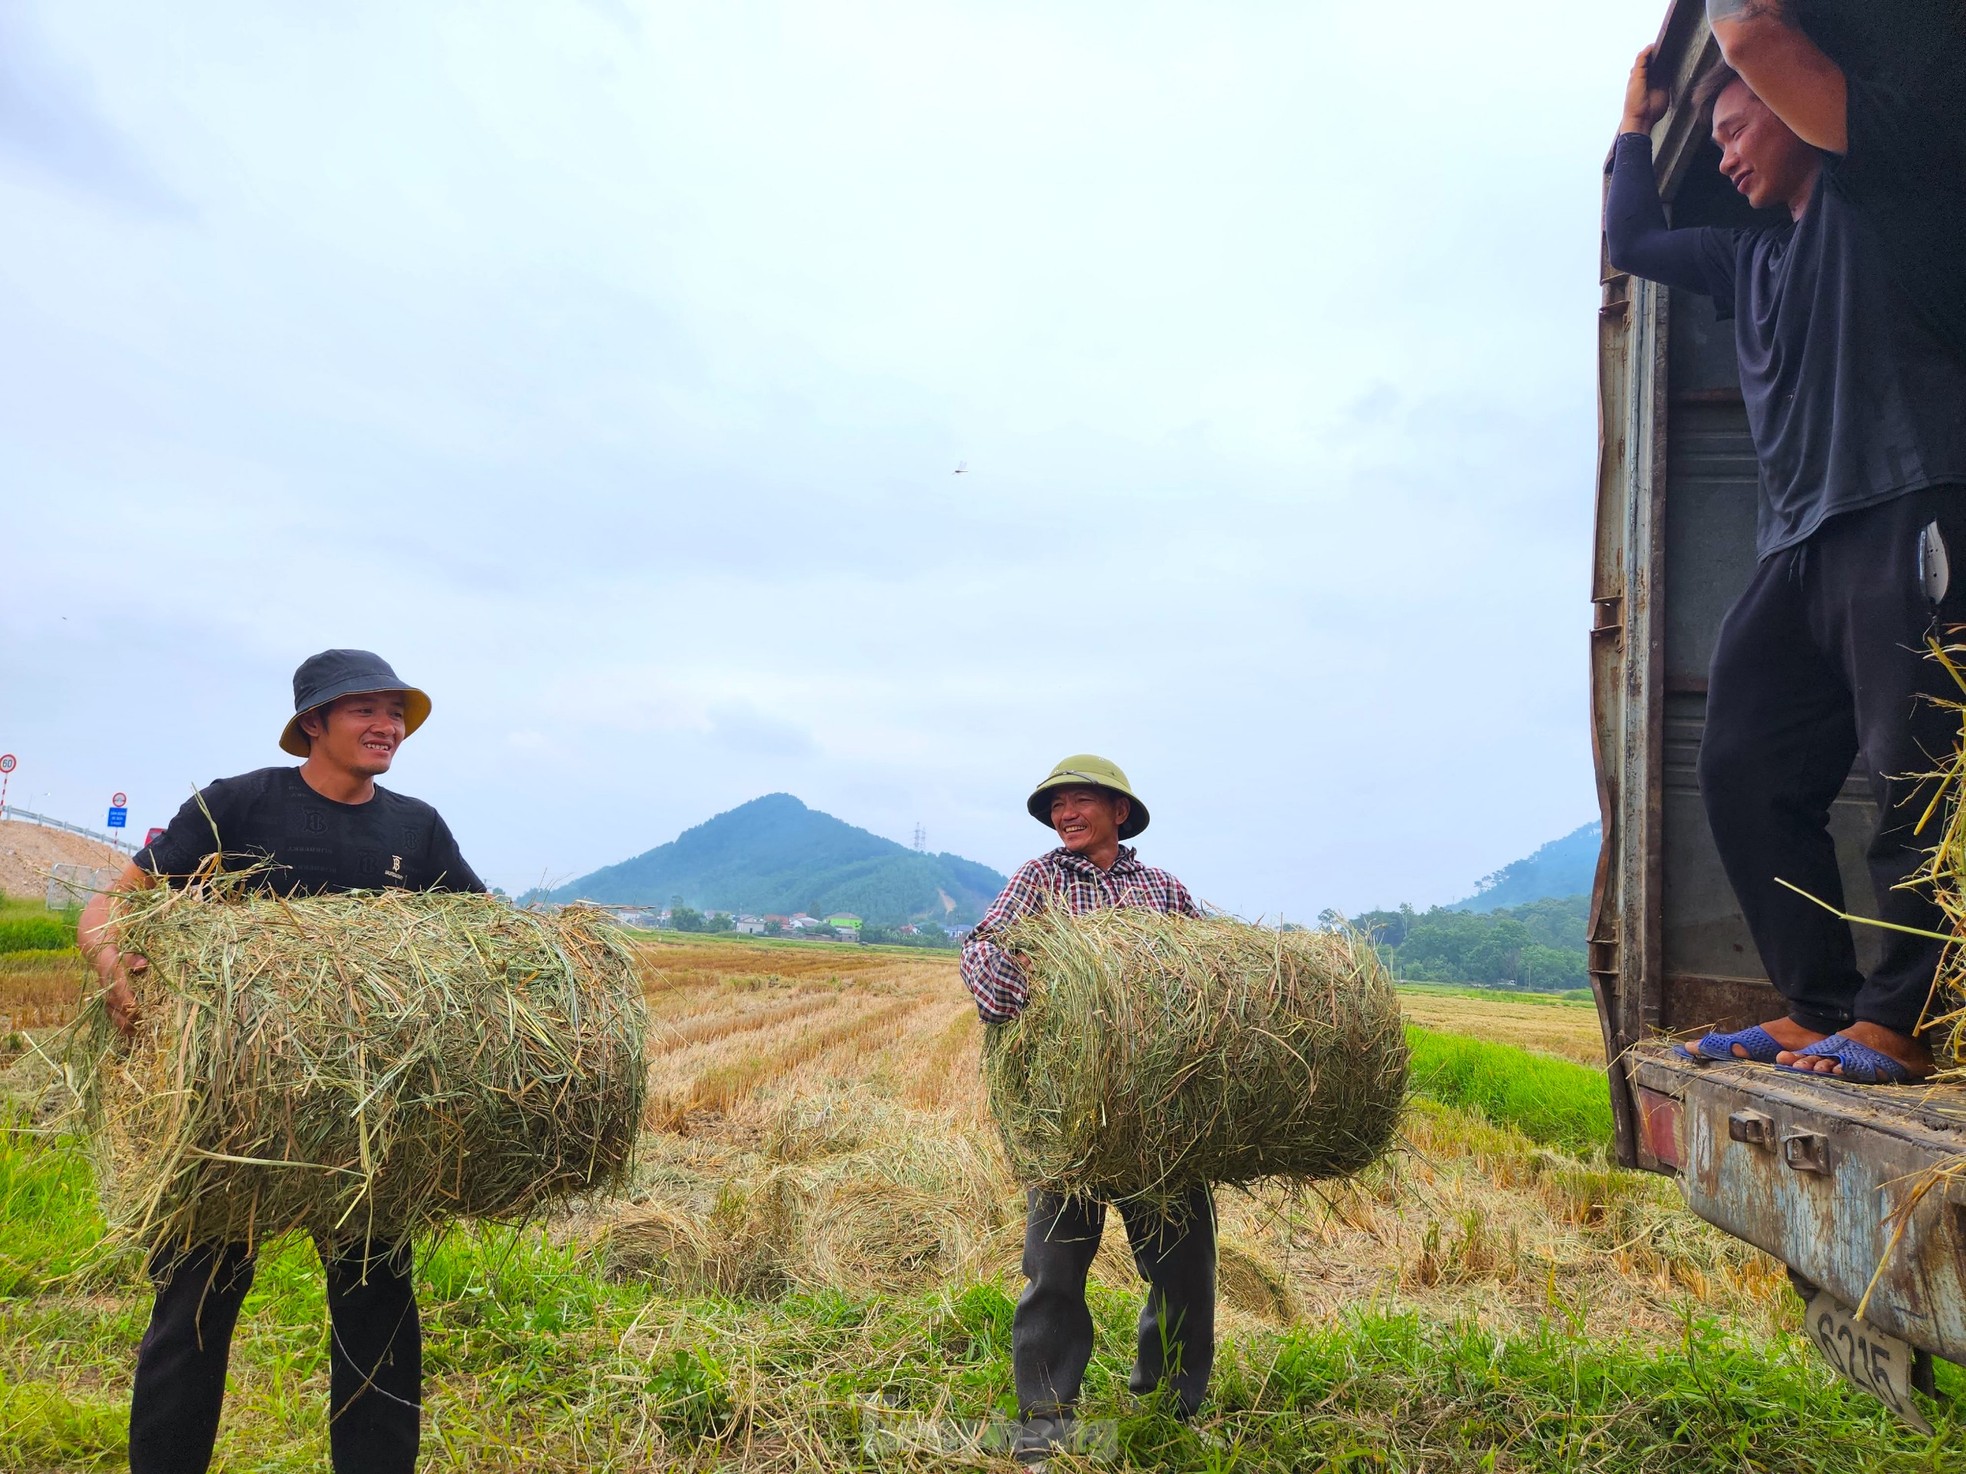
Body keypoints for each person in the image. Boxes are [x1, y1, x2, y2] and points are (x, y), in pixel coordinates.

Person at [1606, 4, 1966, 1082]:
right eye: (1709, 132)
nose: (1718, 149)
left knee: (1916, 768)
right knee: (1742, 764)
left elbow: (1757, 31)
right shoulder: (1745, 255)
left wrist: (1732, 44)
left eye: (1734, 125)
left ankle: (1902, 1019)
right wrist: (1632, 129)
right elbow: (1630, 241)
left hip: (1905, 499)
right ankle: (1817, 1002)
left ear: (1799, 115)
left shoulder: (1887, 189)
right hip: (1797, 537)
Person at [77, 649, 485, 1474]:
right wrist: (113, 968)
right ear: (313, 725)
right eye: (366, 710)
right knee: (194, 1307)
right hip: (228, 1113)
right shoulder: (238, 803)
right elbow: (112, 904)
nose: (388, 726)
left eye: (396, 711)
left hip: (365, 1121)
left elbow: (485, 943)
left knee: (379, 1310)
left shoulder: (417, 827)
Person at [960, 755, 1210, 1465]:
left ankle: (1172, 1404)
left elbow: (1210, 979)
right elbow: (983, 946)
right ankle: (1044, 1417)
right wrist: (1024, 1002)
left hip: (1161, 1114)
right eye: (1056, 806)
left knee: (1182, 1269)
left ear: (1119, 812)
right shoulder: (1039, 879)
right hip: (1069, 1114)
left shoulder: (1163, 890)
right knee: (1054, 1269)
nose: (1064, 815)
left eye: (1079, 802)